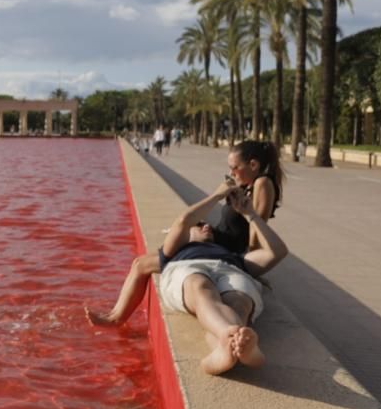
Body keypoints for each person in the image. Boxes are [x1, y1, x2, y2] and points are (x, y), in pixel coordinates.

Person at [87, 140, 284, 327]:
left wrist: (250, 265)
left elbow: (258, 226)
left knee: (141, 264)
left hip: (225, 248)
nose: (231, 172)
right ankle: (114, 316)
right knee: (141, 262)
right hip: (218, 241)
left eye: (235, 167)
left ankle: (115, 319)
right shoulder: (248, 185)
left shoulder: (263, 184)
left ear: (253, 164)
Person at [156, 182, 288, 374]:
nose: (206, 226)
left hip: (231, 270)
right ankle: (238, 342)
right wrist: (217, 196)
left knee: (239, 301)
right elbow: (184, 220)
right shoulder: (175, 250)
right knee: (200, 286)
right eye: (200, 225)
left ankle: (224, 349)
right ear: (185, 236)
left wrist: (249, 214)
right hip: (188, 267)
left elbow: (278, 251)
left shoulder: (233, 257)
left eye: (208, 225)